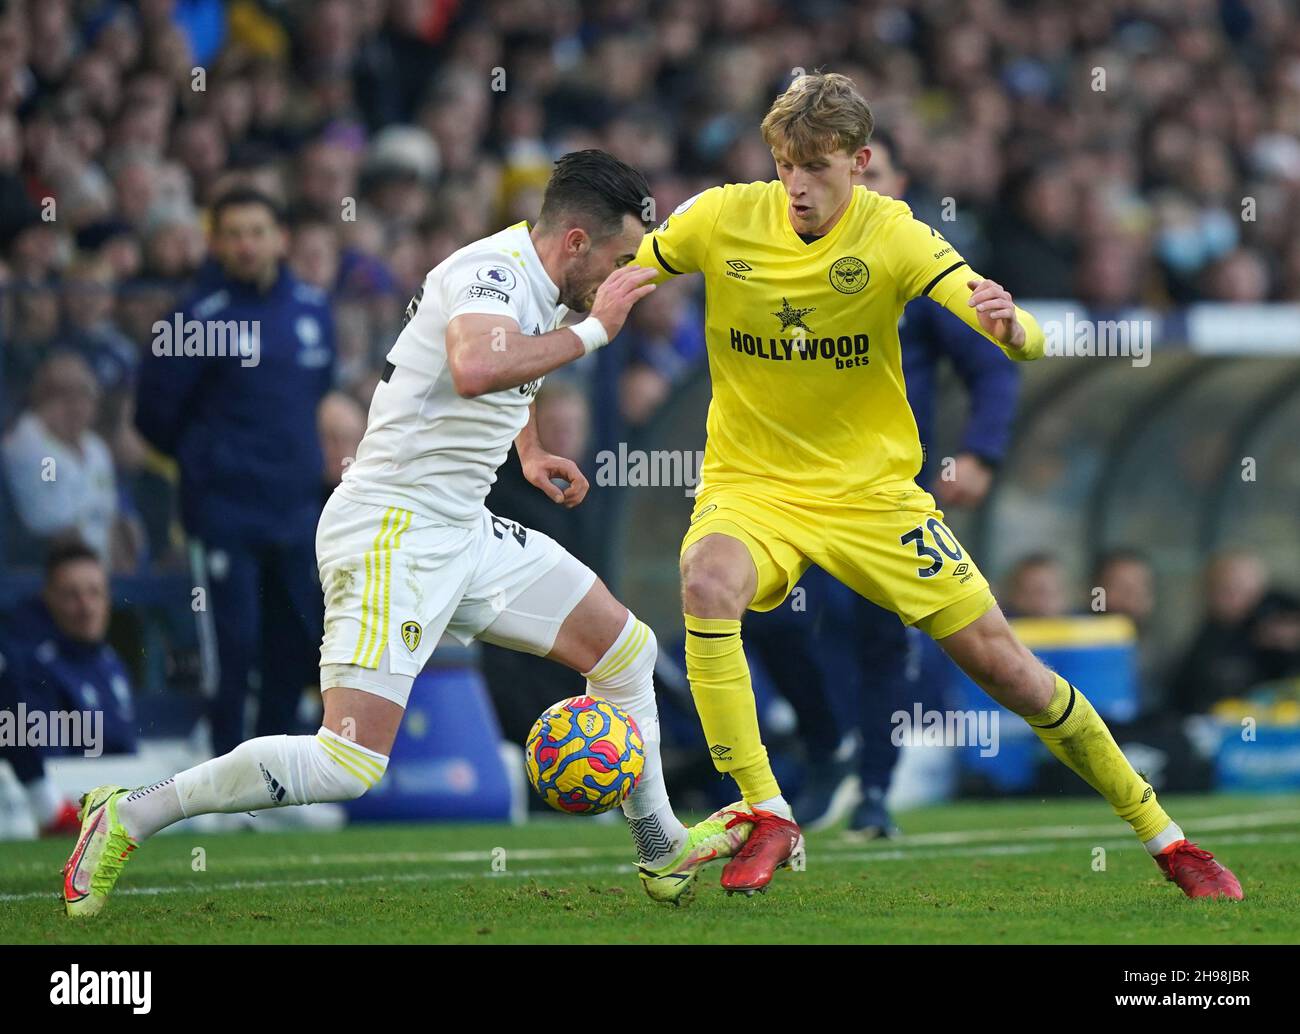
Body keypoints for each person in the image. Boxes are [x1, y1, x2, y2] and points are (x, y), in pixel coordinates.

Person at [60, 150, 754, 918]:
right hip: (393, 527)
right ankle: (128, 813)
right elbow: (474, 365)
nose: (629, 275)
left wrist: (526, 450)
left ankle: (661, 847)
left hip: (463, 527)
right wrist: (596, 330)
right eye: (622, 256)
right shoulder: (489, 273)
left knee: (625, 650)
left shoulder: (550, 282)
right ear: (577, 243)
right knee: (347, 762)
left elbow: (511, 369)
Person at [631, 72, 1242, 899]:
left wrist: (1013, 324)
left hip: (875, 498)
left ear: (861, 160)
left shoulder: (896, 235)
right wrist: (589, 320)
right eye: (784, 165)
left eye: (815, 165)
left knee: (1009, 669)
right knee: (707, 583)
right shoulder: (721, 215)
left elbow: (1015, 343)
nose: (797, 184)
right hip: (754, 485)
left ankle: (1166, 837)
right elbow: (632, 269)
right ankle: (767, 809)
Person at [749, 129, 1023, 837]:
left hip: (885, 490)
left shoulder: (917, 270)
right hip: (790, 483)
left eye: (877, 176)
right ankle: (823, 741)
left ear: (892, 185)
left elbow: (992, 364)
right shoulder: (785, 254)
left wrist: (980, 455)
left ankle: (873, 789)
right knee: (764, 612)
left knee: (881, 638)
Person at [134, 187, 335, 758]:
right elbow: (152, 415)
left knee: (298, 641)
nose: (247, 245)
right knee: (233, 645)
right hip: (224, 513)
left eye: (257, 231)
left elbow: (315, 394)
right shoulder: (195, 316)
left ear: (281, 238)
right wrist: (210, 460)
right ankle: (221, 767)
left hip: (297, 511)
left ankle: (268, 775)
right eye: (234, 234)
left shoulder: (311, 308)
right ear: (215, 242)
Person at [0, 542, 138, 836]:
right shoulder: (33, 669)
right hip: (64, 806)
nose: (86, 607)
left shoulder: (113, 664)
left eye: (94, 593)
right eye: (71, 595)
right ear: (48, 599)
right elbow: (51, 758)